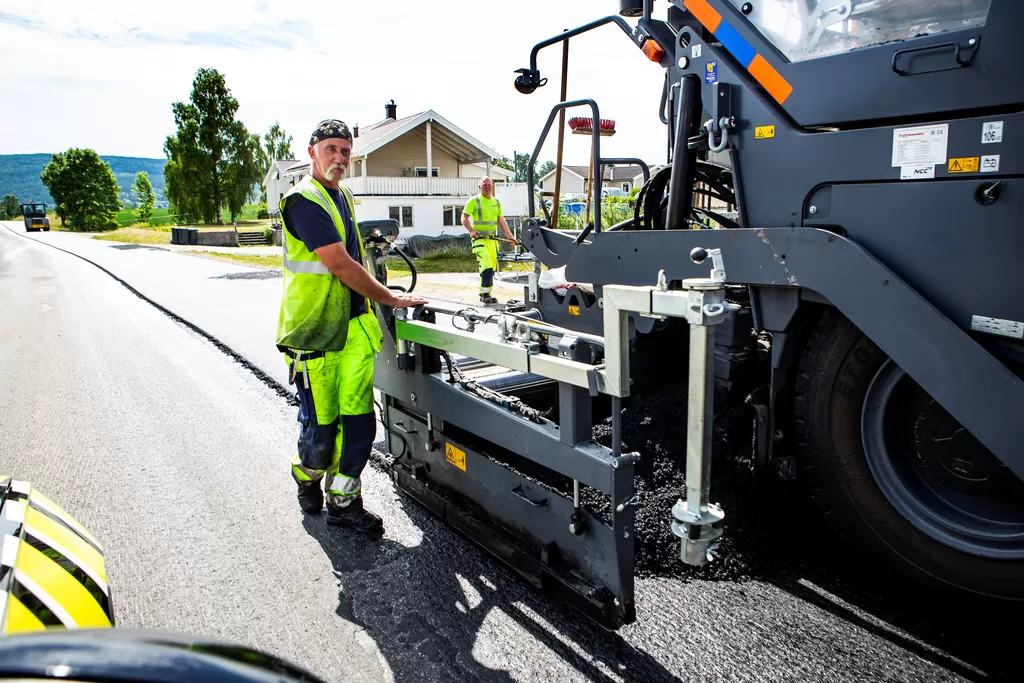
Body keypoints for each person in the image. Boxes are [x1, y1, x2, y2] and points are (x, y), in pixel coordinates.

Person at [277, 119, 427, 534]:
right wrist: (392, 298)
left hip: (353, 329)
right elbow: (341, 264)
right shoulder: (304, 201)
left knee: (358, 425)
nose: (340, 158)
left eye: (345, 151)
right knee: (322, 433)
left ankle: (344, 504)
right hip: (316, 335)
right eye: (331, 149)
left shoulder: (342, 195)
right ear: (312, 152)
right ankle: (306, 475)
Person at [461, 177, 516, 305]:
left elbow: (501, 220)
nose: (487, 187)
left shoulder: (496, 202)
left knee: (491, 268)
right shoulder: (474, 201)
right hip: (479, 239)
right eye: (484, 185)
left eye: (489, 185)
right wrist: (471, 231)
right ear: (479, 187)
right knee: (486, 265)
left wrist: (510, 237)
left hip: (492, 240)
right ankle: (484, 294)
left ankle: (487, 292)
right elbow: (464, 218)